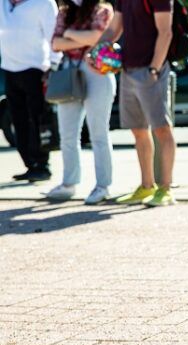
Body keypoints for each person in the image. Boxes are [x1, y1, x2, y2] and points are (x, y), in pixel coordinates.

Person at [91, 0, 177, 206]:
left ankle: (165, 189)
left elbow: (166, 33)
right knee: (138, 130)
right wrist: (95, 52)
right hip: (127, 70)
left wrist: (154, 69)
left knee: (162, 129)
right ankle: (147, 187)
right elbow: (114, 28)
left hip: (151, 71)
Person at [44, 0, 116, 204]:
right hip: (69, 72)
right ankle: (69, 183)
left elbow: (97, 37)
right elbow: (56, 43)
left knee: (98, 133)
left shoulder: (103, 9)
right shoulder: (65, 12)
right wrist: (82, 39)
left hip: (97, 72)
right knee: (67, 134)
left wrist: (69, 34)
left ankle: (103, 186)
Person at [0, 0, 61, 182]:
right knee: (18, 121)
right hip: (9, 68)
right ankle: (29, 164)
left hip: (36, 69)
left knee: (38, 119)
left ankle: (42, 165)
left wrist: (54, 65)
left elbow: (54, 35)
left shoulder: (44, 3)